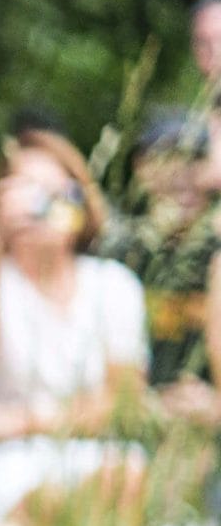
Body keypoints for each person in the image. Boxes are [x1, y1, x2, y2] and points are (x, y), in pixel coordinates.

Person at [0, 129, 149, 526]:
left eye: (57, 194)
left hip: (99, 461)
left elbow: (125, 405)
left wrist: (27, 418)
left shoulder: (114, 285)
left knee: (121, 478)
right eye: (27, 195)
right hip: (11, 465)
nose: (43, 208)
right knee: (47, 503)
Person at [98, 111, 219, 426]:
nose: (182, 173)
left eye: (195, 159)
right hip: (131, 419)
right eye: (169, 157)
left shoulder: (216, 252)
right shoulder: (118, 254)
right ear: (141, 165)